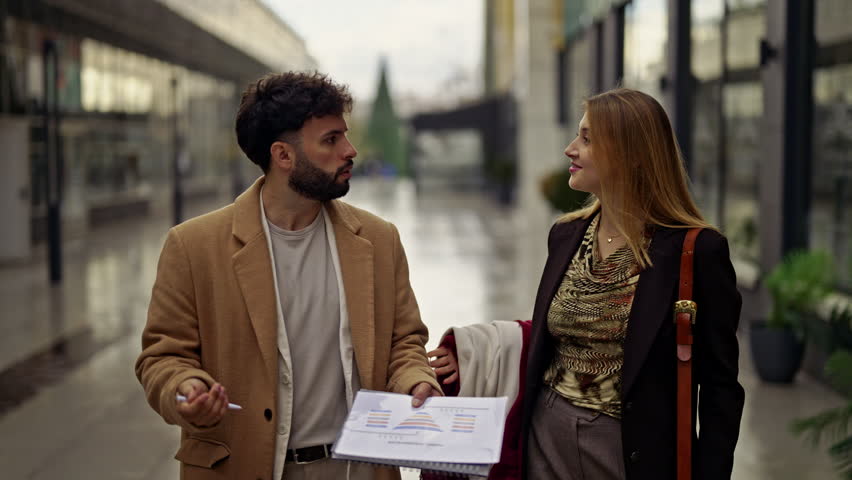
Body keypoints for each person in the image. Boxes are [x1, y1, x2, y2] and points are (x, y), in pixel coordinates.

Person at [135, 71, 442, 480]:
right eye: (331, 140)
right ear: (283, 155)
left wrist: (416, 380)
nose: (350, 151)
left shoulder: (377, 239)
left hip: (357, 469)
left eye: (345, 136)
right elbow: (162, 356)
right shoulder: (193, 246)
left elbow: (403, 341)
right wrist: (185, 388)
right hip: (245, 466)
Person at [433, 88, 744, 480]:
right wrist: (471, 349)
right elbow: (552, 337)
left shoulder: (695, 251)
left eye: (586, 139)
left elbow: (721, 388)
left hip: (630, 450)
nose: (569, 149)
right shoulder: (566, 235)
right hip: (545, 434)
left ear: (631, 154)